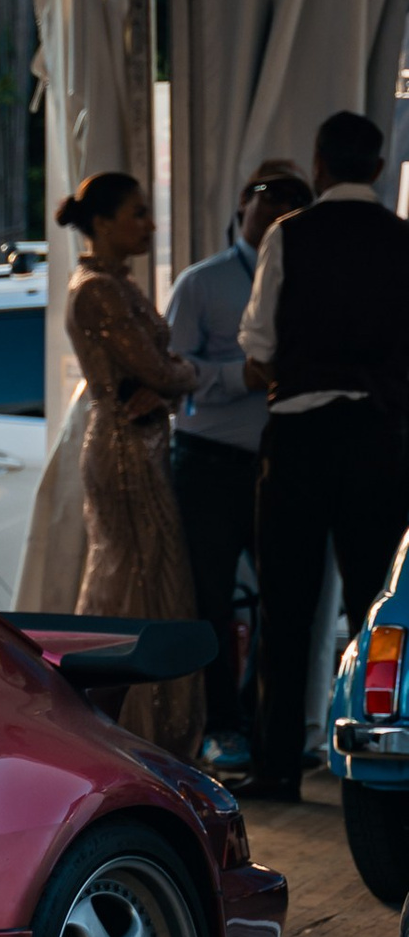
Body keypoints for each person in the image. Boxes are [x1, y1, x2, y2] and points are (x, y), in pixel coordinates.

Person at [239, 106, 409, 802]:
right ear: (377, 167)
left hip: (302, 437)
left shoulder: (289, 235)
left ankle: (279, 764)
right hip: (381, 440)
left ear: (318, 164)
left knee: (287, 605)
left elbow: (257, 354)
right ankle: (383, 766)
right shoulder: (405, 242)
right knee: (381, 605)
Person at [165, 161, 311, 767]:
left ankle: (275, 731)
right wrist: (237, 375)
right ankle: (222, 726)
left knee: (287, 599)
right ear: (241, 207)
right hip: (209, 460)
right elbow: (171, 371)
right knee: (212, 600)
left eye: (292, 200)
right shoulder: (202, 283)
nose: (276, 208)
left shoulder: (313, 277)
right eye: (264, 196)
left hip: (285, 459)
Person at [59, 169, 205, 759]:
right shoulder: (97, 289)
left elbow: (162, 375)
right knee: (135, 579)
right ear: (101, 222)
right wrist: (182, 378)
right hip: (124, 447)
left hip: (137, 439)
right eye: (138, 213)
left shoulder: (116, 284)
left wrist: (170, 385)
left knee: (142, 577)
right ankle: (129, 728)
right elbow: (162, 368)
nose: (149, 223)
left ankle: (136, 727)